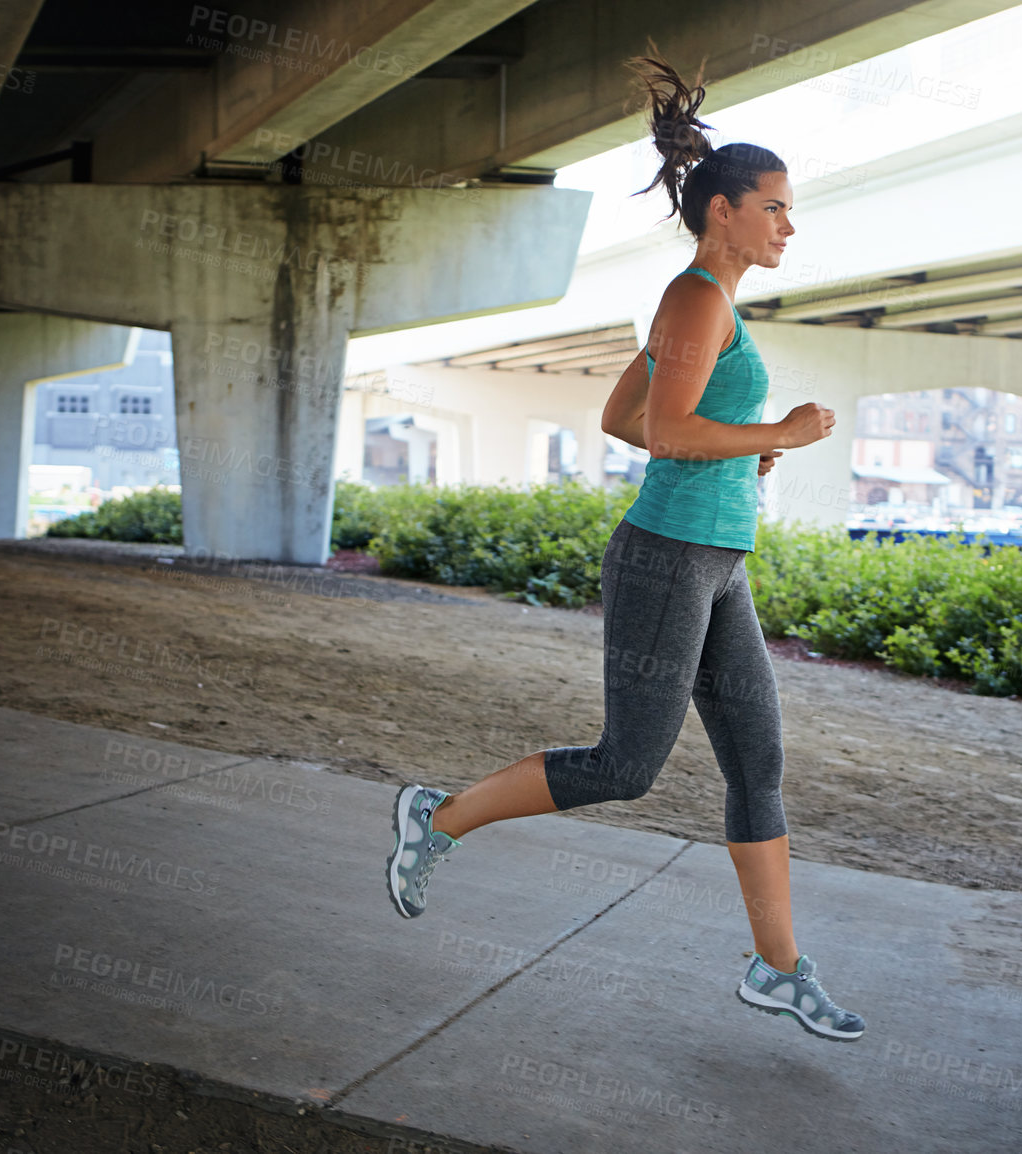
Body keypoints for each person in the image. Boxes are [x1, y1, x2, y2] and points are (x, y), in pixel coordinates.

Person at [385, 48, 864, 1043]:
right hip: (662, 559)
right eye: (773, 205)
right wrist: (778, 433)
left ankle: (778, 967)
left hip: (716, 559)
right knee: (626, 765)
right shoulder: (695, 298)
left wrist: (738, 457)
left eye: (788, 207)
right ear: (722, 211)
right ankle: (438, 815)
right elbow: (671, 430)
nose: (787, 223)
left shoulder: (708, 308)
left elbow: (627, 417)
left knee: (757, 762)